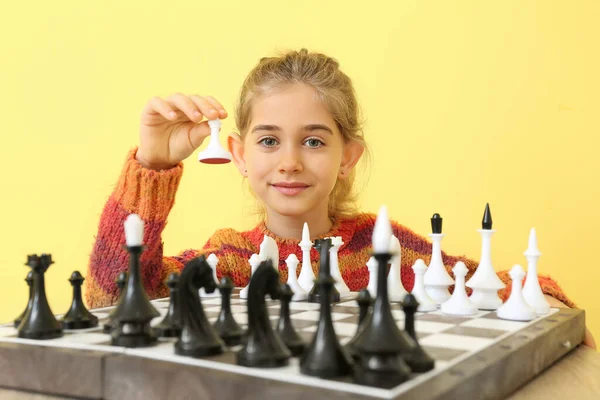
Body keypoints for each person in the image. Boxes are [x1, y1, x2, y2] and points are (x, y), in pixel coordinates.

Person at [84, 49, 595, 349]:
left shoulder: (385, 246)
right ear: (238, 154)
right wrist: (152, 166)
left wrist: (544, 300)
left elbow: (490, 284)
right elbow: (113, 298)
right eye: (268, 140)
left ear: (347, 156)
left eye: (313, 140)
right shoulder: (230, 260)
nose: (288, 162)